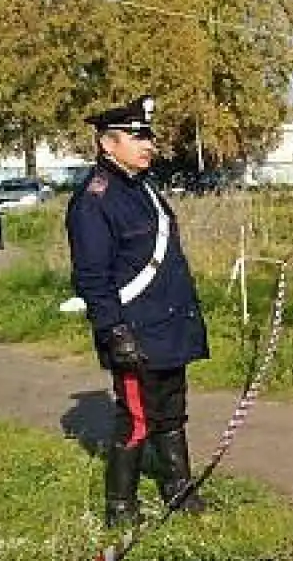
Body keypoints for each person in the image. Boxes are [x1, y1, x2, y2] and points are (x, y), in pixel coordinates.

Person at [64, 94, 209, 528]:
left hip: (168, 324)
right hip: (135, 331)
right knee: (138, 420)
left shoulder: (142, 186)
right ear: (108, 145)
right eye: (136, 136)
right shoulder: (95, 200)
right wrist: (114, 332)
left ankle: (178, 491)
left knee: (172, 412)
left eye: (148, 136)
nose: (148, 144)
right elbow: (92, 278)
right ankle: (121, 507)